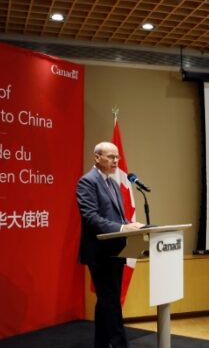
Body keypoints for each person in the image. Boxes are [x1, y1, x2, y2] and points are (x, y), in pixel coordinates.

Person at [76, 141, 143, 348]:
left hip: (116, 249)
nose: (116, 161)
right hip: (100, 252)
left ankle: (101, 343)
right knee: (111, 301)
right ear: (97, 158)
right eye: (111, 157)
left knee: (106, 300)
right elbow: (91, 218)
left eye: (117, 157)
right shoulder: (87, 182)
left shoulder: (113, 183)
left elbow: (118, 217)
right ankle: (119, 344)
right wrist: (123, 229)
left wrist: (129, 224)